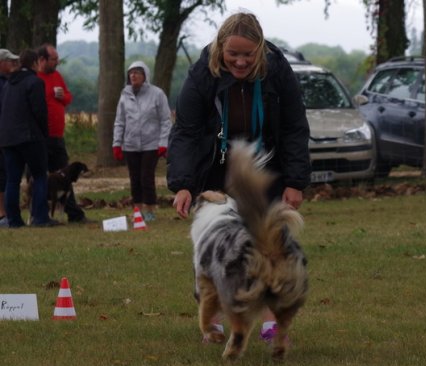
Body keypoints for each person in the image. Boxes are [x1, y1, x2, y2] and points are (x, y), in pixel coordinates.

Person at [167, 12, 311, 342]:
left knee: (270, 245)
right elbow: (186, 131)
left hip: (265, 167)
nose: (241, 62)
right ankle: (213, 323)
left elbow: (293, 127)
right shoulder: (203, 72)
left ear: (260, 49)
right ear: (221, 49)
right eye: (234, 55)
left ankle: (274, 322)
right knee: (216, 247)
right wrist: (183, 184)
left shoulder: (277, 70)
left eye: (248, 54)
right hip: (216, 165)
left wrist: (295, 181)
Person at [0, 49, 58, 227]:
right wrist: (44, 134)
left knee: (12, 179)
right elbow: (40, 111)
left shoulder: (9, 83)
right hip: (30, 136)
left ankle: (14, 220)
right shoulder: (35, 82)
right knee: (40, 175)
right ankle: (40, 217)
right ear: (34, 63)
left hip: (8, 138)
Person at [112, 61, 173, 222]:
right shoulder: (124, 95)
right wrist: (117, 143)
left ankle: (150, 209)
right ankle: (137, 210)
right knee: (135, 178)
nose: (133, 75)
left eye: (137, 72)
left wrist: (163, 143)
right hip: (130, 144)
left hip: (151, 144)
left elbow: (166, 120)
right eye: (131, 73)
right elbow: (120, 121)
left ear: (145, 75)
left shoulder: (157, 94)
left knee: (146, 177)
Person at [37, 43, 91, 224]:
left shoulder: (57, 76)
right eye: (53, 60)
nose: (57, 63)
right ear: (42, 60)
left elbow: (68, 97)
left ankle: (73, 213)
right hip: (40, 137)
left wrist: (62, 97)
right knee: (39, 176)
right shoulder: (35, 78)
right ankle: (40, 214)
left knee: (65, 177)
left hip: (57, 136)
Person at [0, 49, 20, 228]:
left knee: (7, 174)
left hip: (7, 135)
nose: (13, 64)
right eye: (10, 61)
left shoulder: (8, 81)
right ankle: (2, 213)